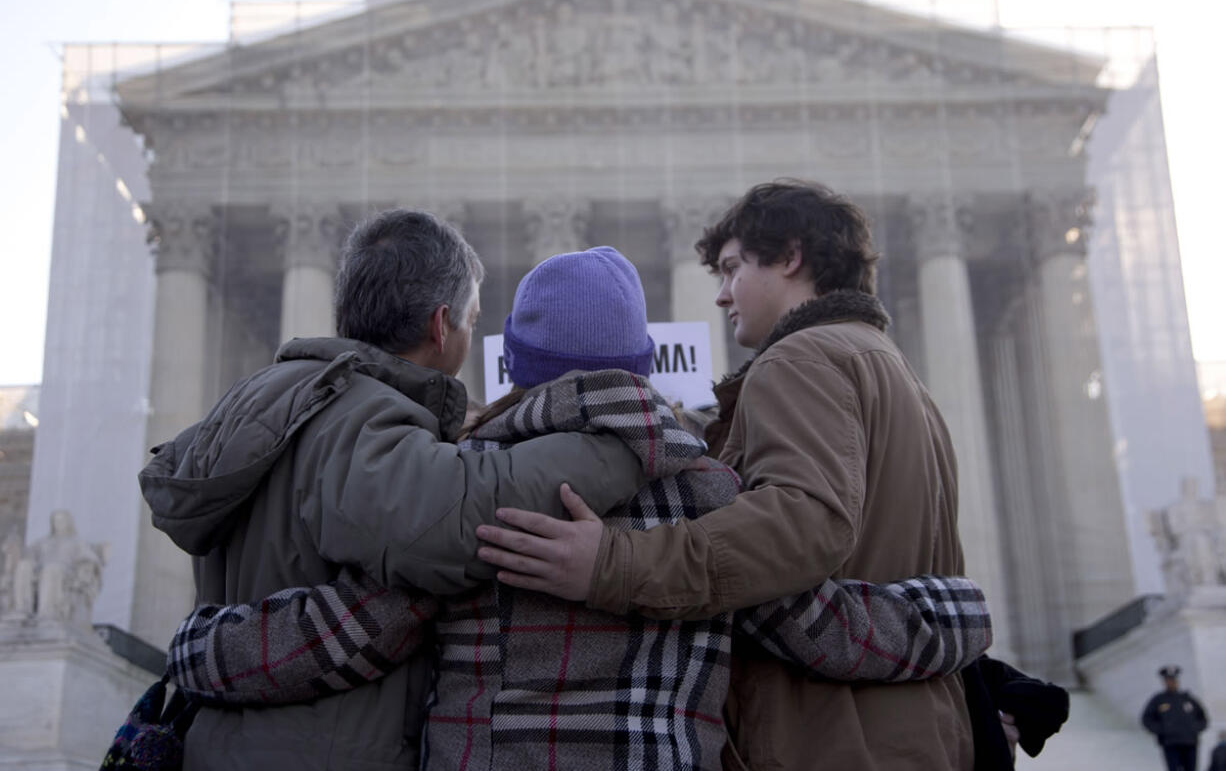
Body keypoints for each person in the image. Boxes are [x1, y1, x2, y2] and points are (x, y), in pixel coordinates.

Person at [162, 246, 994, 770]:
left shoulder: (474, 488)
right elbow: (830, 629)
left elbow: (342, 633)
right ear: (639, 363)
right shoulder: (702, 493)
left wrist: (199, 648)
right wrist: (959, 614)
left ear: (516, 363)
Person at [478, 181, 976, 769]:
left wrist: (614, 562)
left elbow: (797, 530)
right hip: (910, 719)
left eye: (733, 268)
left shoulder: (801, 358)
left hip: (828, 729)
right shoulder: (898, 374)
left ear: (790, 256)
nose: (719, 296)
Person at [137, 210, 651, 770]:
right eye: (471, 321)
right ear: (441, 325)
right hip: (320, 751)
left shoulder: (273, 395)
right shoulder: (357, 413)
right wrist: (621, 438)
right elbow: (459, 519)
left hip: (234, 743)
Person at [1141, 665, 1209, 771]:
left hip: (1189, 742)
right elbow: (1147, 719)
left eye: (1173, 680)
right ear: (1164, 682)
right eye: (1168, 680)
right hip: (1170, 743)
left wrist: (1194, 728)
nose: (1171, 682)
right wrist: (1162, 730)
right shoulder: (1159, 700)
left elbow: (1203, 718)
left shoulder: (1188, 698)